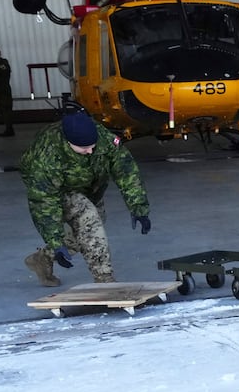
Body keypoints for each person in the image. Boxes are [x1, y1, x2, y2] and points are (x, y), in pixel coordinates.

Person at [19, 109, 151, 286]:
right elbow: (43, 202)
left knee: (89, 228)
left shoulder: (103, 138)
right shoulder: (47, 157)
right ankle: (105, 280)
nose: (90, 151)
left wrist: (138, 208)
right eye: (83, 148)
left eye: (92, 146)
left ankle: (42, 259)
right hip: (57, 190)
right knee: (89, 218)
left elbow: (125, 170)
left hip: (89, 186)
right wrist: (54, 239)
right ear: (68, 142)